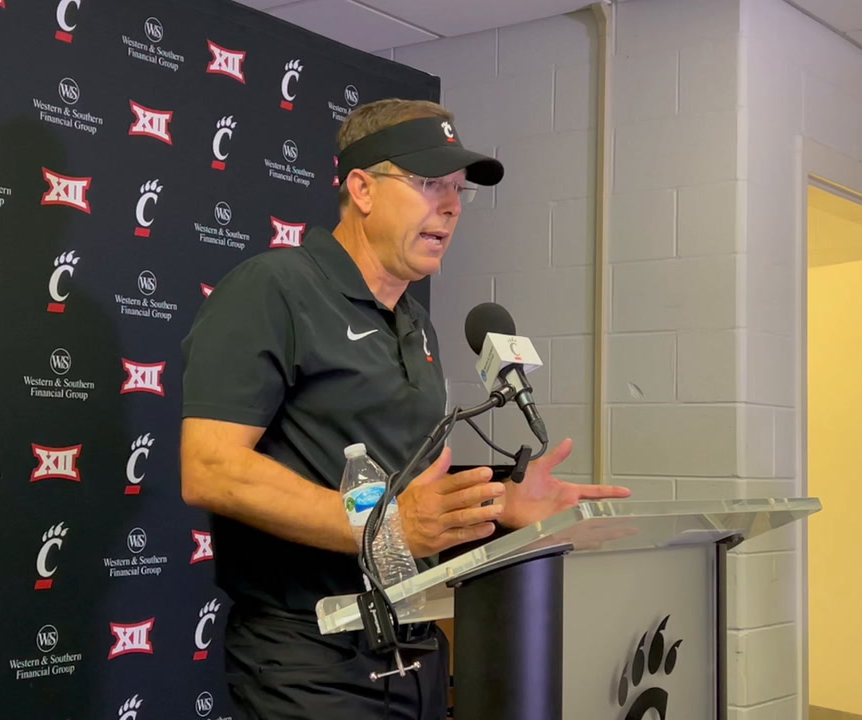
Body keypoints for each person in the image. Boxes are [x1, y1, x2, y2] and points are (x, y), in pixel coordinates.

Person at [179, 99, 631, 720]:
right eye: (427, 183)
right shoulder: (274, 289)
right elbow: (210, 468)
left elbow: (413, 493)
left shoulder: (416, 324)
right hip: (310, 661)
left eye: (456, 189)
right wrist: (386, 527)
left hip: (415, 647)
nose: (449, 205)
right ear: (361, 188)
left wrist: (501, 508)